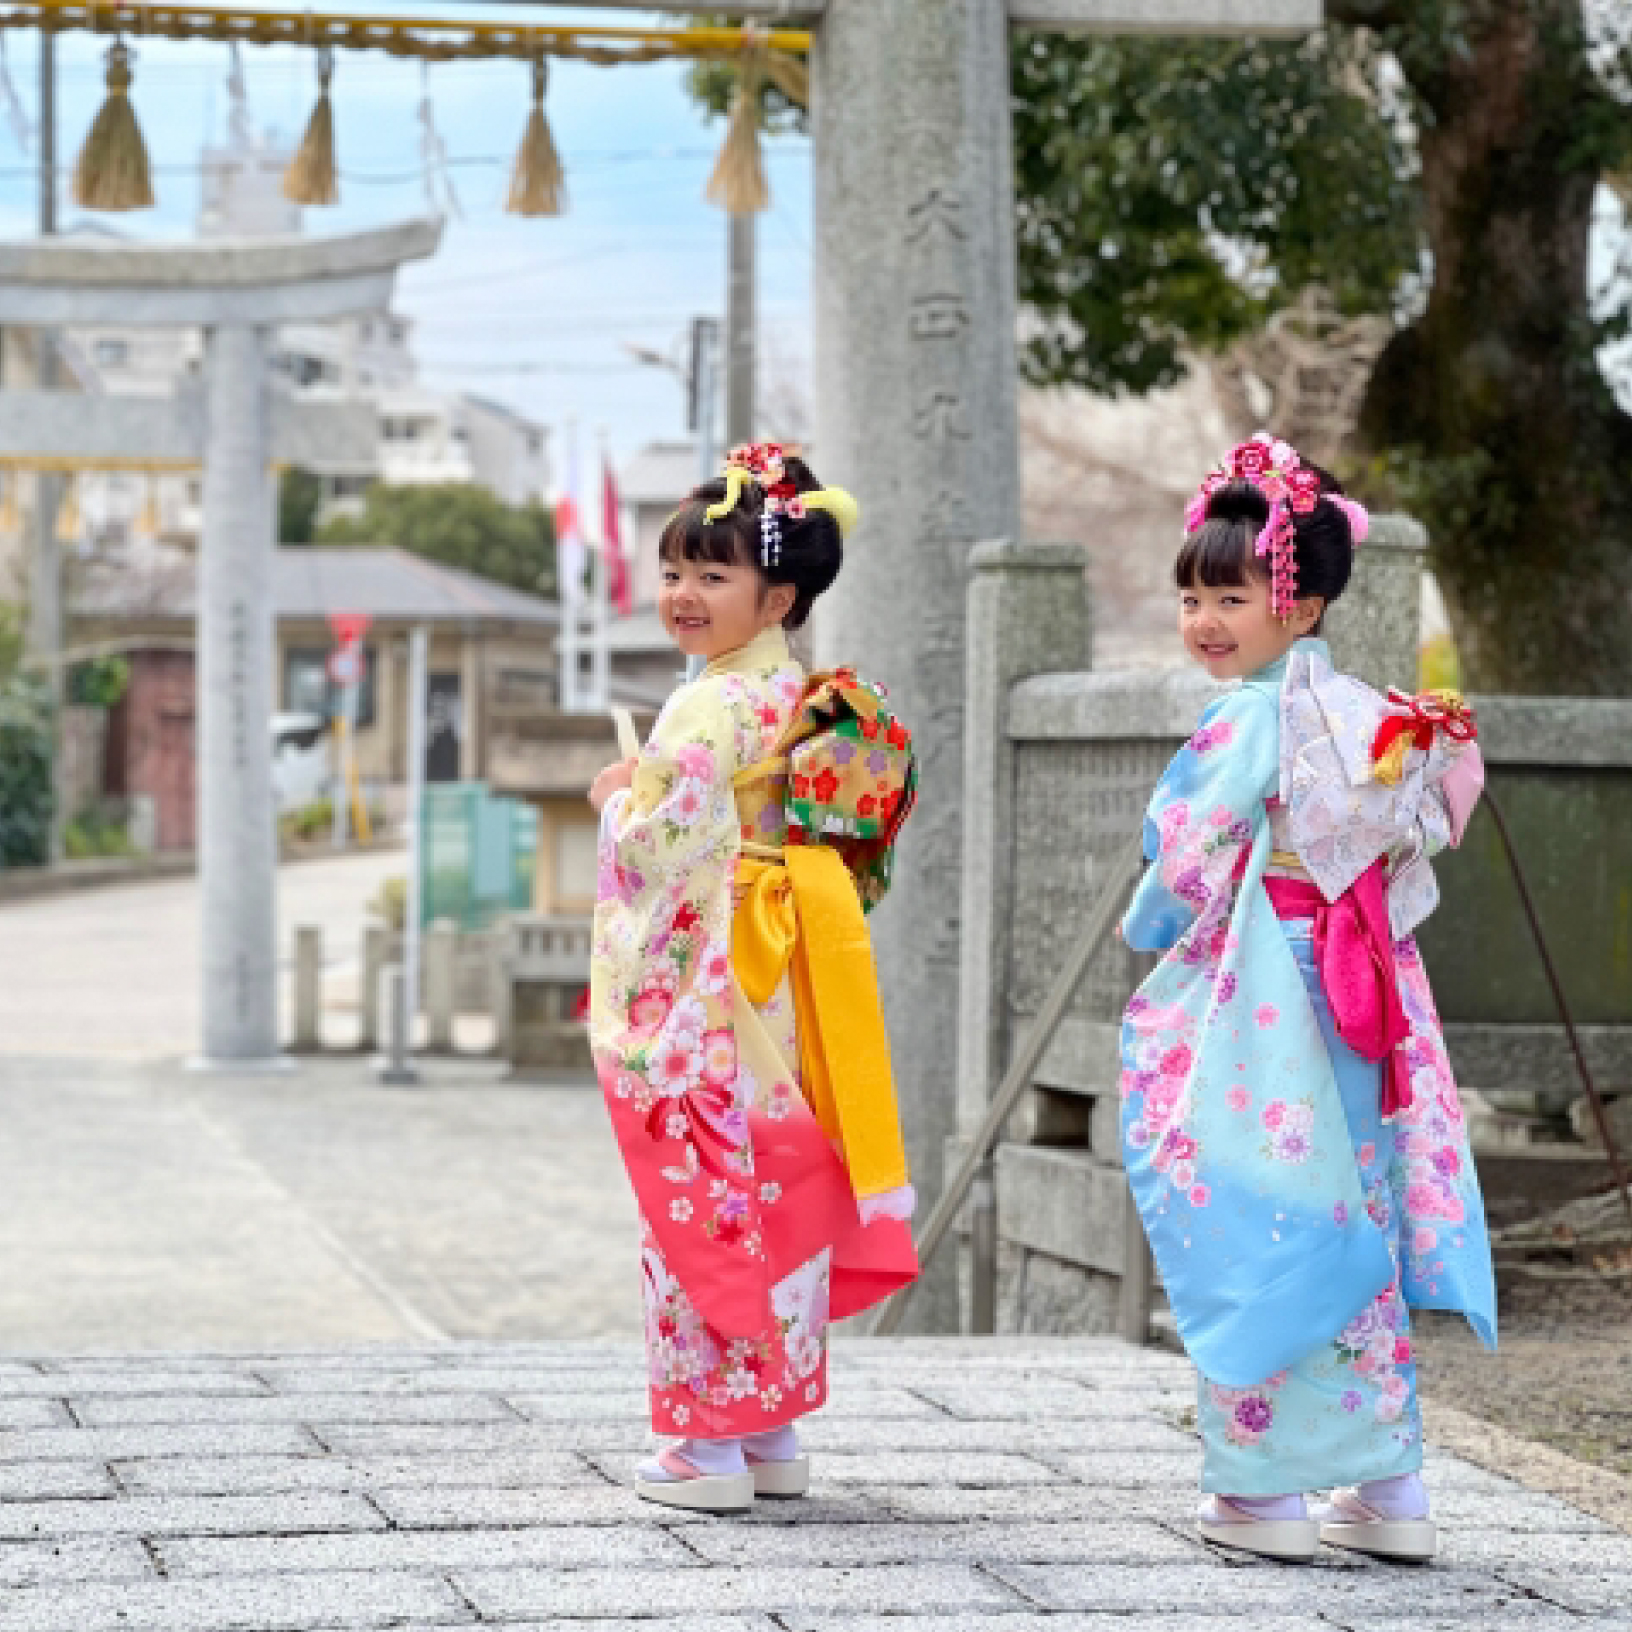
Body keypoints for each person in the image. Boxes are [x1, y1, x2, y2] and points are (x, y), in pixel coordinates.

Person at [1120, 435, 1496, 1564]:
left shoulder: (1247, 718)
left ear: (1304, 598)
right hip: (1365, 983)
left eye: (1230, 595)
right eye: (1192, 596)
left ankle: (1261, 1494)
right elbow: (1425, 830)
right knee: (1354, 1206)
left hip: (1267, 987)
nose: (1205, 621)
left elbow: (1187, 850)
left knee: (1259, 1201)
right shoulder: (1378, 713)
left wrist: (1153, 923)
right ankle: (1388, 1492)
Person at [588, 442, 918, 1515]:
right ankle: (769, 1428)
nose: (683, 594)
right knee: (783, 1168)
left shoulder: (702, 708)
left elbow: (661, 844)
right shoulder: (806, 693)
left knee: (705, 1180)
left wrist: (615, 808)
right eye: (675, 571)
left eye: (711, 575)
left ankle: (704, 1449)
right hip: (794, 971)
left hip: (718, 968)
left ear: (777, 593)